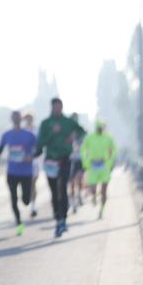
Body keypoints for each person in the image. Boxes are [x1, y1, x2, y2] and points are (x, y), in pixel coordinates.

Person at [34, 98, 85, 238]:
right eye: (54, 107)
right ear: (51, 107)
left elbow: (82, 131)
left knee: (62, 187)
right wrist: (52, 133)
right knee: (53, 191)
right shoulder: (45, 124)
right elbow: (40, 142)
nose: (57, 109)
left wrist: (74, 135)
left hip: (64, 159)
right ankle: (58, 218)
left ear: (62, 107)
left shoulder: (68, 122)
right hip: (50, 160)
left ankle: (63, 219)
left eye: (59, 107)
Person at [0, 110, 37, 236]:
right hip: (12, 171)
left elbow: (39, 149)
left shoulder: (29, 135)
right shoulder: (7, 134)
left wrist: (32, 156)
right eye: (14, 117)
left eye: (18, 117)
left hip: (26, 172)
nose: (16, 119)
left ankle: (27, 199)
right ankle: (19, 223)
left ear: (21, 119)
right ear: (11, 119)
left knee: (25, 200)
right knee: (13, 198)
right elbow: (1, 146)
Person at [81, 119, 117, 219]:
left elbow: (114, 150)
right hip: (92, 166)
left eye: (101, 128)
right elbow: (83, 150)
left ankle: (102, 209)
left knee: (104, 190)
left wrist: (109, 162)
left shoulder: (108, 138)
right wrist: (86, 162)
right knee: (93, 188)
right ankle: (93, 197)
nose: (100, 130)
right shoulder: (89, 137)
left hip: (104, 166)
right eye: (98, 128)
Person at [22, 112, 40, 218]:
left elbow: (39, 146)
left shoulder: (37, 131)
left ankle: (33, 207)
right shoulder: (22, 131)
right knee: (26, 184)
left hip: (34, 162)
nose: (28, 121)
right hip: (23, 162)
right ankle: (27, 199)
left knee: (33, 184)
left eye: (30, 119)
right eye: (27, 119)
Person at [68, 112, 86, 214]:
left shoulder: (81, 130)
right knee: (71, 183)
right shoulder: (67, 131)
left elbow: (85, 143)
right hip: (70, 159)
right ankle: (73, 203)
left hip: (80, 158)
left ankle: (79, 195)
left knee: (79, 179)